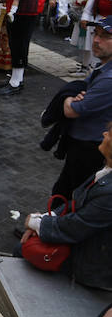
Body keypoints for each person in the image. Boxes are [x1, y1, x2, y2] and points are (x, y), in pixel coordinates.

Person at [20, 126, 112, 291]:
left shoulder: (109, 192)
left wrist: (37, 224)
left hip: (89, 264)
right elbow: (79, 201)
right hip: (86, 245)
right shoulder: (107, 172)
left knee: (23, 251)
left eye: (110, 134)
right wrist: (48, 217)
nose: (104, 134)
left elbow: (77, 226)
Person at [51, 16, 112, 198]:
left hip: (90, 149)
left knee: (73, 196)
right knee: (64, 191)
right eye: (96, 34)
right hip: (85, 143)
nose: (95, 40)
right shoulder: (104, 67)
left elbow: (72, 110)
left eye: (105, 36)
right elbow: (82, 88)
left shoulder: (109, 79)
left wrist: (67, 99)